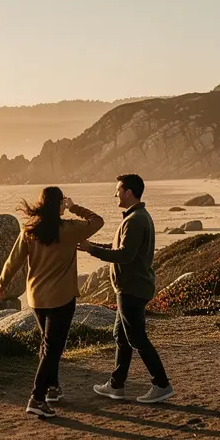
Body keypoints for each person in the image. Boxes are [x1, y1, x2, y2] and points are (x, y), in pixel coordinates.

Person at [0, 186, 105, 418]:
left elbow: (14, 260)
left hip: (37, 297)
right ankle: (37, 398)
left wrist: (2, 283)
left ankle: (53, 388)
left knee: (48, 345)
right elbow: (97, 221)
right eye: (62, 202)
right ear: (59, 204)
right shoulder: (70, 229)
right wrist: (74, 207)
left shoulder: (30, 230)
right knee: (52, 348)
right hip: (61, 297)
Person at [78, 173, 174, 404]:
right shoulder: (136, 217)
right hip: (132, 287)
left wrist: (93, 251)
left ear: (129, 192)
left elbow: (124, 255)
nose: (116, 194)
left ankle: (161, 384)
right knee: (121, 336)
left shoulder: (135, 220)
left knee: (136, 338)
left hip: (132, 288)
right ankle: (116, 385)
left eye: (118, 190)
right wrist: (90, 246)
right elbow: (117, 247)